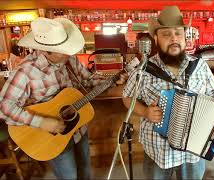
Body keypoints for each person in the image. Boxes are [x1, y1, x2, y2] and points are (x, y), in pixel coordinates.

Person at [0, 17, 126, 179]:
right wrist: (43, 122)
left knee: (85, 171)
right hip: (50, 137)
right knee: (69, 177)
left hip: (78, 128)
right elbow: (4, 107)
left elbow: (86, 81)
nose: (69, 52)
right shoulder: (26, 71)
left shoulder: (69, 59)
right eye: (63, 49)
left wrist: (112, 80)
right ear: (46, 50)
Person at [122, 6, 214, 179]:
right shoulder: (144, 69)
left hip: (193, 150)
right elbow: (126, 97)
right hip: (157, 150)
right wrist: (145, 112)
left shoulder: (199, 66)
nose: (173, 39)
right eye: (166, 34)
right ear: (156, 39)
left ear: (185, 37)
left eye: (178, 33)